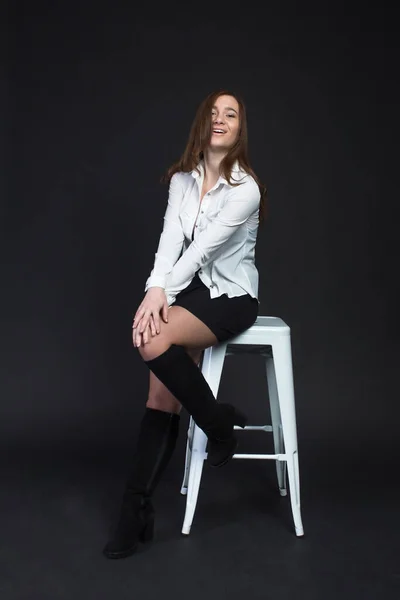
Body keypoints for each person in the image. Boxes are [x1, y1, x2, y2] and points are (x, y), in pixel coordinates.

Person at [103, 89, 267, 559]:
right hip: (190, 290)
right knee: (159, 392)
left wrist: (160, 298)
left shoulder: (246, 188)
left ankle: (217, 425)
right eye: (213, 113)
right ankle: (136, 511)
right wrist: (153, 292)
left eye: (230, 114)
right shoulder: (182, 181)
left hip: (233, 297)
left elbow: (202, 253)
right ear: (203, 123)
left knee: (153, 341)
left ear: (239, 129)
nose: (220, 120)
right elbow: (169, 244)